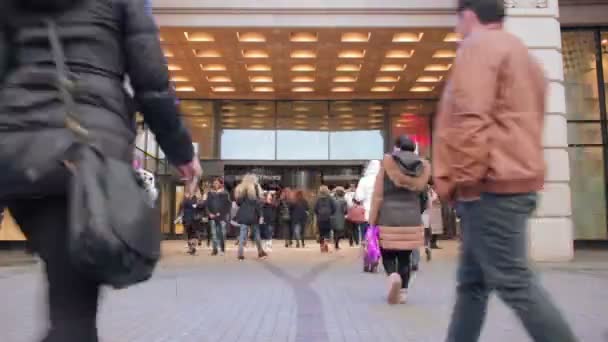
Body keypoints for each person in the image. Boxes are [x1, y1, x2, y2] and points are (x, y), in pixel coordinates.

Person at [0, 1, 201, 340]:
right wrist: (180, 150)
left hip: (21, 155)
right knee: (73, 313)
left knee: (67, 298)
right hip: (84, 157)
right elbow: (150, 81)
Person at [434, 1, 577, 341]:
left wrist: (465, 180)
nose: (456, 29)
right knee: (472, 284)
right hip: (509, 182)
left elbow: (471, 118)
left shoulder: (478, 46)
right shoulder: (522, 54)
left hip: (490, 187)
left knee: (514, 282)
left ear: (468, 15)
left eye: (457, 21)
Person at [369, 136, 430, 305]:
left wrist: (372, 220)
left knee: (387, 253)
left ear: (397, 148)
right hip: (411, 218)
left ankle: (393, 277)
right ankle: (403, 292)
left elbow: (378, 196)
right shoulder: (422, 168)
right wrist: (416, 211)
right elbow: (425, 198)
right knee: (405, 257)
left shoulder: (387, 166)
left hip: (388, 217)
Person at [234, 174, 267, 261]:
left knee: (242, 235)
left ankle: (240, 254)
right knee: (256, 234)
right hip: (253, 215)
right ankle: (260, 252)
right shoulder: (256, 189)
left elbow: (238, 203)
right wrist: (261, 215)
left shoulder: (242, 189)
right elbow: (258, 204)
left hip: (244, 215)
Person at [355, 160, 381, 241]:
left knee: (367, 240)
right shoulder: (382, 179)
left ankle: (369, 253)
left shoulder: (364, 180)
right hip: (380, 215)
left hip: (367, 214)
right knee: (379, 240)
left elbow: (358, 197)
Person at [206, 178, 231, 256]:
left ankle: (222, 249)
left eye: (217, 183)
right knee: (214, 233)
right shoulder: (210, 193)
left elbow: (228, 206)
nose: (215, 184)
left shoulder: (225, 193)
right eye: (214, 183)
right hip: (212, 217)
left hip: (222, 217)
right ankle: (215, 249)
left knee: (222, 233)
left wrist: (221, 213)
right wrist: (209, 213)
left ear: (220, 184)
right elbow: (206, 205)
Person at [314, 186, 336, 253]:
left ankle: (322, 248)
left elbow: (315, 209)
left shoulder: (318, 199)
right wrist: (331, 213)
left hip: (320, 218)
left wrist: (318, 214)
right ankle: (326, 243)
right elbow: (334, 207)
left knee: (321, 233)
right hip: (328, 218)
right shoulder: (330, 198)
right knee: (327, 232)